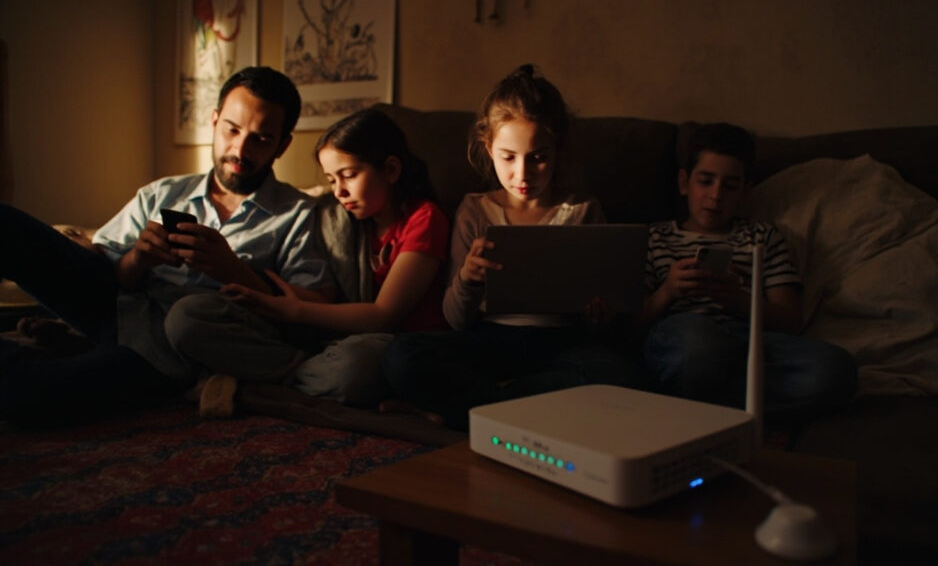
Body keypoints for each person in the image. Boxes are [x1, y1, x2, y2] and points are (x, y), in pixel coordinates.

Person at [0, 66, 330, 425]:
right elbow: (107, 270)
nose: (240, 149)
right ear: (214, 121)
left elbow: (310, 312)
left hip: (169, 349)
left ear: (282, 145)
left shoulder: (299, 213)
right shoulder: (164, 192)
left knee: (24, 390)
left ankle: (80, 356)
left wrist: (232, 270)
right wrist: (138, 257)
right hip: (114, 302)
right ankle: (79, 343)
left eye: (261, 139)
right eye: (231, 130)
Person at [379, 64, 637, 430]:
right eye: (508, 157)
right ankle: (515, 407)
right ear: (488, 149)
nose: (523, 174)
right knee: (401, 355)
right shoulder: (475, 210)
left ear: (558, 150)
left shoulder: (583, 210)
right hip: (491, 341)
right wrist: (467, 279)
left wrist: (598, 315)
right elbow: (455, 319)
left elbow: (608, 313)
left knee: (616, 373)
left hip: (563, 343)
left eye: (538, 157)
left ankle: (476, 407)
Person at [168, 108, 449, 412]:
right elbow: (326, 296)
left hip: (389, 343)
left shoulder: (425, 219)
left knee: (357, 366)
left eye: (349, 175)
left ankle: (256, 385)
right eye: (331, 179)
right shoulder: (340, 219)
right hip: (324, 340)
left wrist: (294, 310)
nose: (339, 191)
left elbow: (383, 316)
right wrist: (269, 297)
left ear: (391, 170)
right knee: (189, 316)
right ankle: (295, 379)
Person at [640, 122, 857, 420]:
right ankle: (724, 401)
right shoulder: (654, 237)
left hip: (749, 342)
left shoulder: (761, 236)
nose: (716, 195)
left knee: (836, 370)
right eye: (705, 181)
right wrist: (668, 291)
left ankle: (700, 402)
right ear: (684, 182)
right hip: (683, 335)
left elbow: (791, 320)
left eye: (729, 186)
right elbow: (633, 323)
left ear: (745, 192)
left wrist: (739, 300)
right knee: (698, 347)